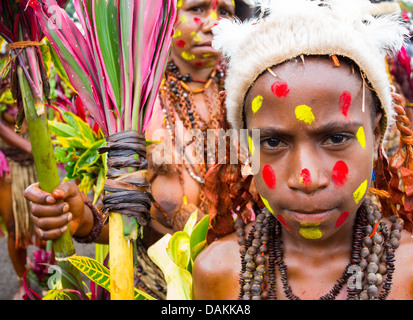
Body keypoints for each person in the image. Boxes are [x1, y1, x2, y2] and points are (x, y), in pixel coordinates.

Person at [24, 0, 246, 299]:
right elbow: (118, 219)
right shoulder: (132, 105)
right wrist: (79, 218)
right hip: (152, 286)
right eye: (197, 9)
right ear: (166, 17)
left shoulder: (249, 97)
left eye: (225, 12)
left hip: (239, 285)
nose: (213, 22)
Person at [192, 0, 413, 300]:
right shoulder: (220, 272)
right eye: (272, 142)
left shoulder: (407, 270)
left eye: (336, 138)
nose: (306, 178)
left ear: (376, 134)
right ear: (246, 148)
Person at [0, 87, 40, 300]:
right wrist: (26, 145)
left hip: (38, 161)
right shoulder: (2, 76)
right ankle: (21, 282)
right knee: (15, 231)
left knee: (48, 227)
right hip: (9, 167)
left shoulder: (34, 69)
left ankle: (54, 275)